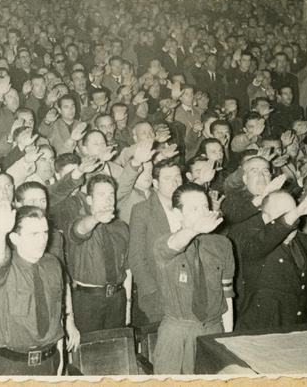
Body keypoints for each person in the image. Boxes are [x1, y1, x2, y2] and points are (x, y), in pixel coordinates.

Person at [152, 182, 234, 375]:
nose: (203, 212)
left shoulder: (223, 244)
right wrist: (195, 229)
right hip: (176, 335)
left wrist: (229, 337)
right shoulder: (165, 242)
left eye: (205, 207)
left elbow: (227, 295)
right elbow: (173, 245)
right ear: (178, 214)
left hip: (213, 331)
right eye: (195, 208)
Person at [0, 205, 68, 375]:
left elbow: (57, 316)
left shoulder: (53, 264)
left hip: (49, 361)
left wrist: (60, 359)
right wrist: (0, 233)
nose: (43, 239)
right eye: (34, 234)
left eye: (45, 232)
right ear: (15, 238)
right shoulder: (5, 267)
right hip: (11, 366)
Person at [234, 190, 307, 331]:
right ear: (266, 218)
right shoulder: (251, 239)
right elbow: (264, 239)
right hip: (262, 332)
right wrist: (295, 212)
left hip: (300, 329)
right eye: (285, 214)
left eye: (293, 212)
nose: (294, 219)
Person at [65, 174, 131, 333]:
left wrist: (128, 305)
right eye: (102, 195)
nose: (108, 200)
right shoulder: (80, 220)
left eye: (111, 195)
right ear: (89, 200)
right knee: (89, 354)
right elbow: (80, 230)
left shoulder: (121, 227)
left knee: (116, 352)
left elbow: (127, 269)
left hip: (117, 299)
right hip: (88, 301)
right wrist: (96, 218)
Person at [128, 159, 184, 326]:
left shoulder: (189, 208)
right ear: (155, 183)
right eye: (168, 178)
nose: (175, 182)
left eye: (178, 177)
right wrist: (152, 294)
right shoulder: (142, 210)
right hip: (158, 297)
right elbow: (136, 259)